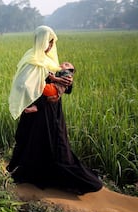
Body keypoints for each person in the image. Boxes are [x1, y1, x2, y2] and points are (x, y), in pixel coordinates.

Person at [7, 25, 102, 194]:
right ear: (40, 41)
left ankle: (72, 180)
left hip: (51, 112)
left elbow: (63, 85)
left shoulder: (50, 60)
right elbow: (22, 84)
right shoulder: (31, 59)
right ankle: (29, 177)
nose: (50, 46)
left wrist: (66, 83)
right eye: (48, 42)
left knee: (55, 145)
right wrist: (31, 101)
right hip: (36, 112)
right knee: (32, 143)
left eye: (52, 42)